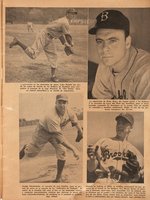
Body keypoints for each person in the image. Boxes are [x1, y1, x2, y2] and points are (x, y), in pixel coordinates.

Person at [19, 94, 83, 183]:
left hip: (55, 132)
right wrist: (74, 149)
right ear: (55, 103)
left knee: (62, 151)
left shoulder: (70, 111)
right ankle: (26, 147)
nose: (62, 105)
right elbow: (60, 138)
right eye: (59, 102)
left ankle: (58, 178)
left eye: (64, 102)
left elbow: (75, 122)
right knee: (31, 154)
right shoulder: (51, 116)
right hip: (42, 132)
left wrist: (80, 131)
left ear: (67, 103)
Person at [89, 9, 150, 99]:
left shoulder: (145, 71)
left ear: (127, 42)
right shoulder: (104, 64)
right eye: (100, 41)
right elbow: (100, 102)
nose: (105, 49)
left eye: (112, 41)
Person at [9, 8, 77, 82]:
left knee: (54, 56)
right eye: (72, 13)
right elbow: (67, 36)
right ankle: (17, 42)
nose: (73, 15)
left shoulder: (64, 21)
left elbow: (60, 34)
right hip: (44, 35)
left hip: (50, 38)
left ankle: (53, 76)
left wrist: (65, 44)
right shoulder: (65, 22)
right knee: (33, 54)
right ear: (67, 14)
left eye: (74, 14)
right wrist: (70, 44)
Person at [87, 113, 144, 183]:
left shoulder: (134, 150)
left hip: (124, 185)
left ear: (131, 128)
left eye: (123, 123)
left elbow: (142, 174)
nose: (120, 125)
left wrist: (137, 174)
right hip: (104, 181)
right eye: (118, 123)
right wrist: (92, 160)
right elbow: (90, 168)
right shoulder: (103, 141)